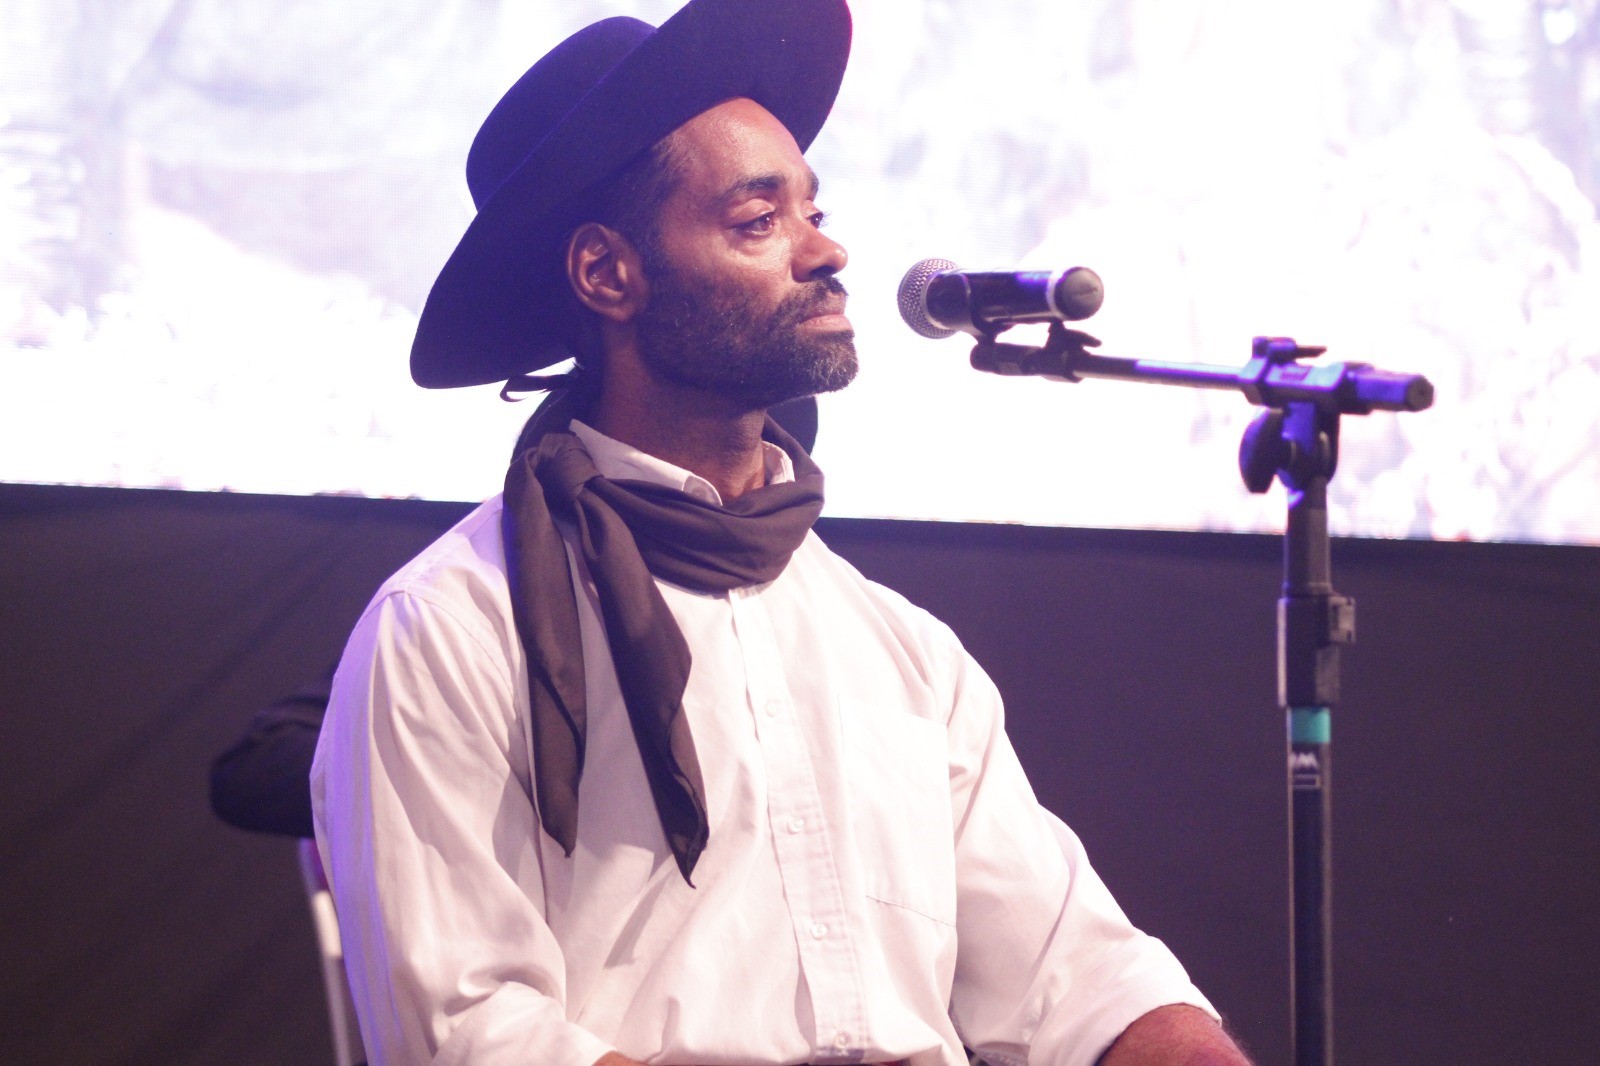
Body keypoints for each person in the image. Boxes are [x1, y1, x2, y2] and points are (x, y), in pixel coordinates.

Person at [311, 1, 1254, 1063]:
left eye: (814, 209)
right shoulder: (450, 629)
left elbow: (1081, 983)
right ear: (607, 275)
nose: (827, 249)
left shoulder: (901, 649)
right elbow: (476, 1034)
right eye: (760, 219)